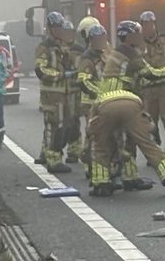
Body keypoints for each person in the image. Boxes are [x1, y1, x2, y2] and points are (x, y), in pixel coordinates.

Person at [88, 20, 165, 196]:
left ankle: (103, 182)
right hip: (127, 100)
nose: (140, 37)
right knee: (144, 141)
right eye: (137, 33)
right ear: (129, 36)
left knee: (104, 142)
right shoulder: (131, 54)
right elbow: (150, 74)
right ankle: (160, 173)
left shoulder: (115, 54)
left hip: (104, 102)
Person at [33, 11, 72, 173]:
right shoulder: (44, 47)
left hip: (64, 93)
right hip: (51, 94)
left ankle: (45, 153)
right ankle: (53, 160)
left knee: (64, 125)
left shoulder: (62, 45)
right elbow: (40, 70)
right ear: (49, 28)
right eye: (55, 27)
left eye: (60, 27)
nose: (58, 30)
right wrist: (61, 75)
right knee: (54, 125)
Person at [76, 22, 108, 166]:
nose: (102, 42)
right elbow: (83, 81)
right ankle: (88, 160)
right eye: (99, 39)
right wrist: (99, 93)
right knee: (94, 132)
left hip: (105, 100)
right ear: (92, 41)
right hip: (91, 102)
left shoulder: (105, 55)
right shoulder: (87, 58)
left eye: (103, 38)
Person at [139, 11, 165, 144]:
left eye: (151, 24)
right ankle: (154, 150)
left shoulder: (163, 41)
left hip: (163, 86)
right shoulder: (138, 44)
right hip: (147, 89)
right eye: (145, 25)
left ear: (155, 24)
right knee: (150, 120)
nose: (149, 27)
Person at [61, 19, 84, 163]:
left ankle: (74, 151)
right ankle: (50, 151)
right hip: (59, 90)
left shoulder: (80, 50)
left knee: (74, 120)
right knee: (57, 121)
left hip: (75, 91)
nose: (68, 36)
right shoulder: (56, 49)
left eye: (70, 33)